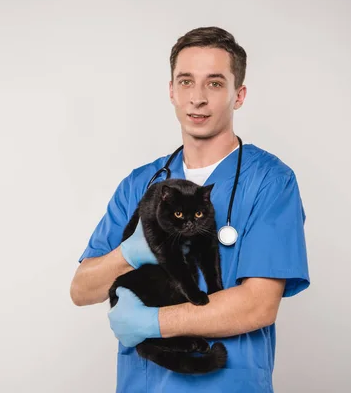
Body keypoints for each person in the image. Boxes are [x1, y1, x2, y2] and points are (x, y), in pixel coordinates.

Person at [69, 26, 310, 393]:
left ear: (239, 95)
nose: (197, 98)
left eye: (214, 83)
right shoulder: (141, 183)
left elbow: (259, 305)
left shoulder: (270, 183)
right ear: (171, 91)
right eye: (185, 82)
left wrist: (153, 322)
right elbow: (82, 289)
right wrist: (129, 255)